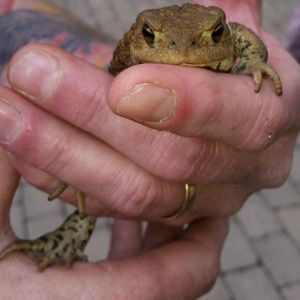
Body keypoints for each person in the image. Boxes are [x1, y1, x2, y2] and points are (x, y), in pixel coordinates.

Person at [0, 0, 299, 298]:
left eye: (214, 35)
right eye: (151, 36)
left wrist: (255, 68)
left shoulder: (229, 37)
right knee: (93, 184)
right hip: (118, 119)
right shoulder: (133, 53)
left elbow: (243, 39)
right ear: (140, 36)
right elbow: (110, 77)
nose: (181, 51)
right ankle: (65, 241)